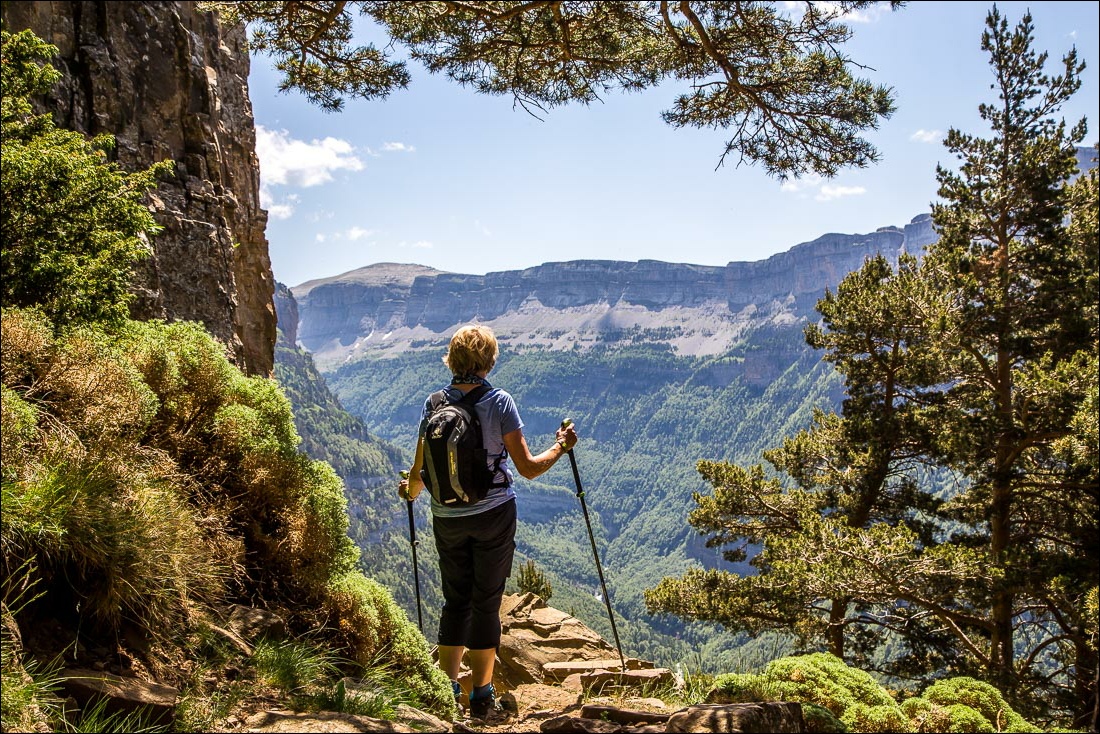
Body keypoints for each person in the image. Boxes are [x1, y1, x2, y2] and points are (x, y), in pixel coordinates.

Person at [398, 324, 578, 721]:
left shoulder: (433, 403)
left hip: (446, 515)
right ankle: (481, 694)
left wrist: (410, 493)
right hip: (493, 513)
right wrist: (561, 447)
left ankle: (444, 691)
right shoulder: (499, 402)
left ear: (453, 359)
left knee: (455, 600)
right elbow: (528, 469)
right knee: (486, 602)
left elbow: (418, 471)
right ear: (489, 360)